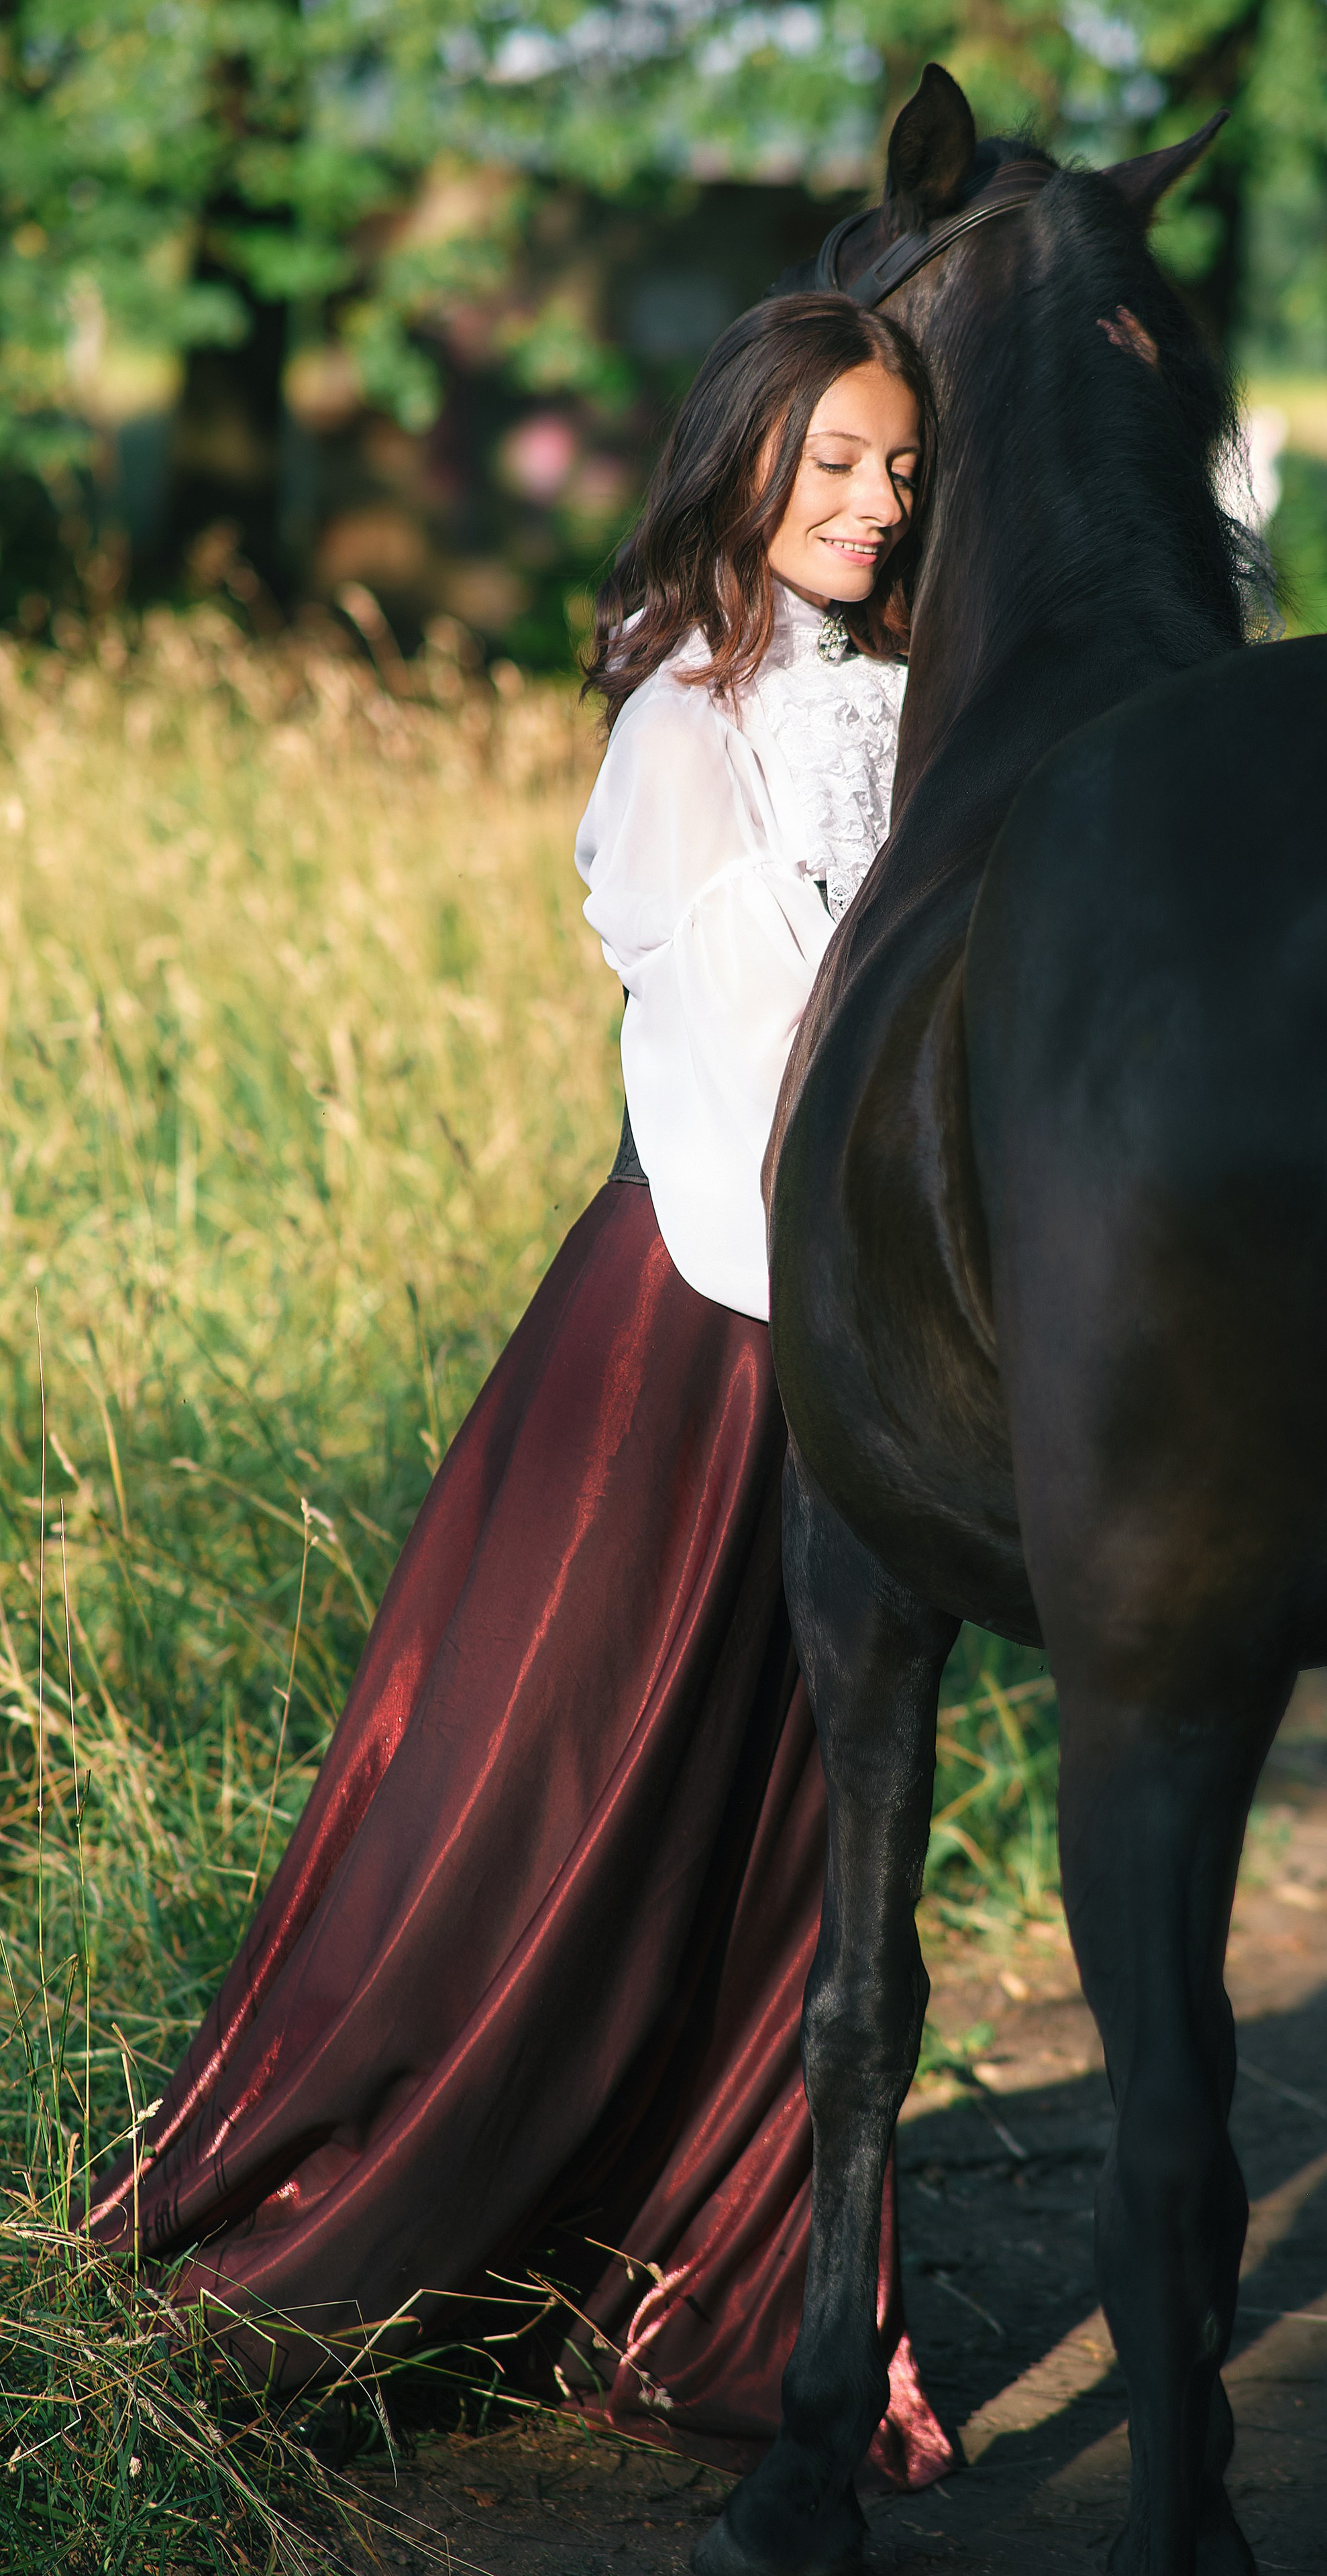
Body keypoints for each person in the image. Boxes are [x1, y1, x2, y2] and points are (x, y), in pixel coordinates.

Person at [88, 292, 954, 2493]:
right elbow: (744, 1080)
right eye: (835, 464)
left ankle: (762, 2276)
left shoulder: (891, 700)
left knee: (782, 1840)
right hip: (698, 1318)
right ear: (745, 462)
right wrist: (868, 1335)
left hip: (835, 1334)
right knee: (553, 1804)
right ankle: (362, 2217)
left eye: (903, 471)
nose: (873, 506)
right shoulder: (687, 724)